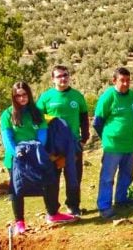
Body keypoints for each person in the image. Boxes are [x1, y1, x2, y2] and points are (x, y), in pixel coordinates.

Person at [2, 82, 76, 234]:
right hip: (16, 158)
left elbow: (43, 133)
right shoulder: (7, 114)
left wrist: (36, 149)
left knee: (49, 183)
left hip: (37, 155)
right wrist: (16, 151)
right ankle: (20, 222)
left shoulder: (37, 113)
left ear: (29, 94)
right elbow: (7, 137)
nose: (22, 98)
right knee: (17, 189)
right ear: (13, 97)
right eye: (18, 96)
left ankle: (53, 214)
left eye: (24, 95)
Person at [36, 65, 88, 216]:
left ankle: (73, 206)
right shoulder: (46, 97)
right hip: (53, 146)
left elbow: (84, 118)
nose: (63, 78)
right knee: (53, 179)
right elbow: (38, 119)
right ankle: (52, 210)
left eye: (65, 75)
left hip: (73, 145)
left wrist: (84, 138)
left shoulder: (77, 96)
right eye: (59, 76)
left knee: (74, 177)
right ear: (53, 79)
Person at [93, 67, 133, 219]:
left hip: (130, 144)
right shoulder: (108, 96)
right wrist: (107, 137)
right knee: (107, 177)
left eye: (128, 80)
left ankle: (121, 199)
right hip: (113, 146)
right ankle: (104, 206)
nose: (126, 84)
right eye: (122, 80)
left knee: (127, 175)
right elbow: (97, 121)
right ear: (114, 80)